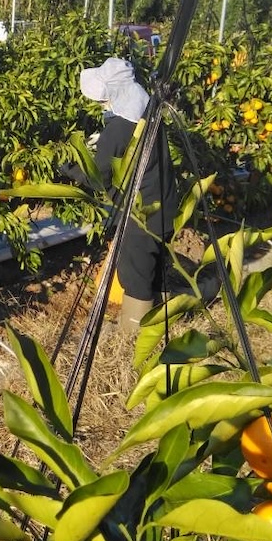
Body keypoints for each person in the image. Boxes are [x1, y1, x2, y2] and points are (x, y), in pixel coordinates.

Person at [73, 57, 177, 336]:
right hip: (163, 202)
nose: (101, 103)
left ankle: (133, 334)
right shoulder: (147, 114)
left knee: (136, 271)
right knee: (153, 266)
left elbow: (97, 176)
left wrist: (69, 165)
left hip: (141, 211)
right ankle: (160, 323)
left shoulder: (120, 128)